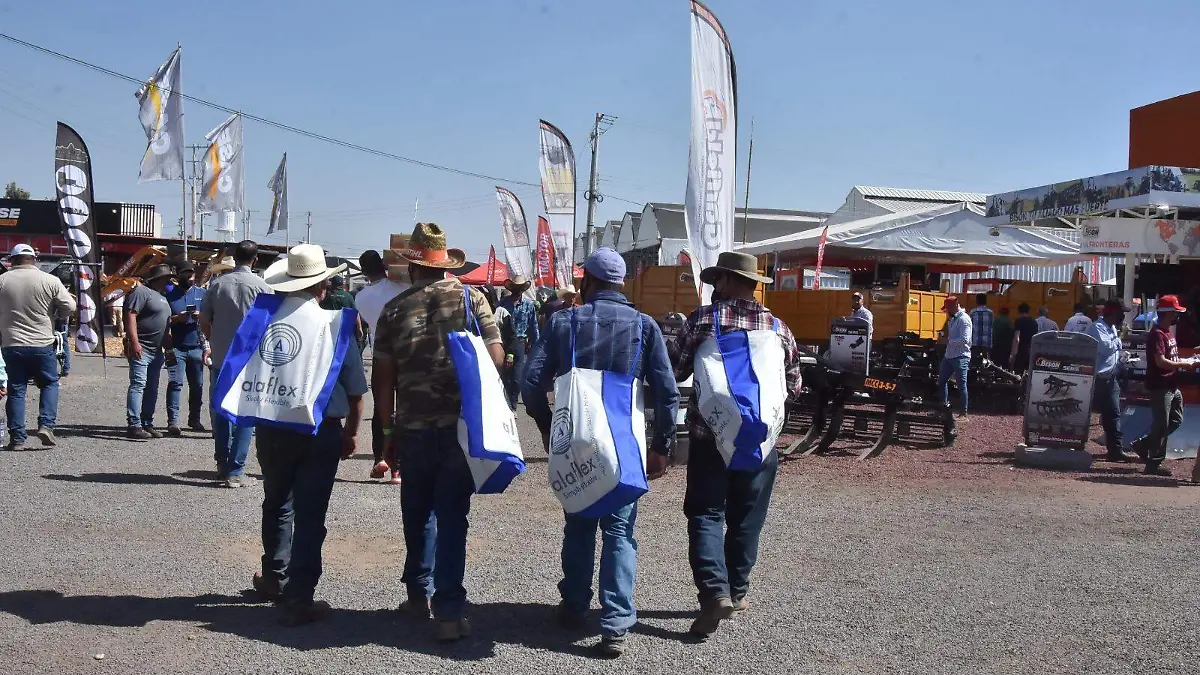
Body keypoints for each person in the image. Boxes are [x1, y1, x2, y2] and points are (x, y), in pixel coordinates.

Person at [523, 248, 679, 657]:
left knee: (578, 524)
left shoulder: (562, 322)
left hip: (575, 442)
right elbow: (667, 393)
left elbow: (529, 383)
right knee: (619, 531)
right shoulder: (645, 326)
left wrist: (546, 427)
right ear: (621, 283)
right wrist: (662, 447)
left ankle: (574, 606)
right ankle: (615, 622)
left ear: (587, 281)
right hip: (625, 446)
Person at [373, 223, 504, 643]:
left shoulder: (393, 311)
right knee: (452, 516)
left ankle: (417, 596)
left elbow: (383, 379)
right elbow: (496, 359)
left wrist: (387, 430)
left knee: (416, 512)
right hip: (459, 427)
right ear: (444, 264)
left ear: (412, 267)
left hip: (412, 427)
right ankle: (448, 612)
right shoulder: (472, 298)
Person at [668, 251, 799, 641]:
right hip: (760, 442)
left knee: (707, 513)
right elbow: (794, 385)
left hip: (710, 438)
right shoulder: (778, 328)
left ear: (725, 281)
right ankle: (737, 592)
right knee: (746, 517)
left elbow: (676, 369)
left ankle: (714, 593)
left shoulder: (703, 320)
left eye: (715, 282)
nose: (712, 289)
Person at [249, 244, 368, 626]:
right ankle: (300, 595)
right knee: (311, 512)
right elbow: (355, 390)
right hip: (321, 430)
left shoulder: (262, 322)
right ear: (322, 287)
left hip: (273, 424)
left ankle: (274, 575)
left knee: (277, 500)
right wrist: (352, 431)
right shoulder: (336, 325)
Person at [200, 240, 273, 487]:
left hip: (221, 356)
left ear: (234, 257)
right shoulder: (264, 287)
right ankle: (236, 469)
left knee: (221, 410)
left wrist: (216, 340)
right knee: (245, 413)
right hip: (251, 359)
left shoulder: (217, 285)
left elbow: (204, 322)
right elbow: (269, 326)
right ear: (255, 260)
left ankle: (222, 462)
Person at [0, 244, 73, 450]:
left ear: (12, 260)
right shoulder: (49, 280)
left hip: (12, 343)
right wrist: (56, 315)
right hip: (42, 343)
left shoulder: (2, 281)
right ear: (34, 259)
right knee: (49, 384)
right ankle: (46, 425)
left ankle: (17, 438)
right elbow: (70, 306)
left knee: (16, 390)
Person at [352, 250, 408, 483]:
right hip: (406, 355)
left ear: (364, 271)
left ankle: (381, 458)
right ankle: (399, 468)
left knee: (382, 410)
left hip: (380, 356)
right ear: (384, 265)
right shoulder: (402, 288)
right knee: (404, 409)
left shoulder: (361, 297)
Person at [1139, 295, 1196, 476]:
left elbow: (1171, 357)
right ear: (1169, 313)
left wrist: (1190, 357)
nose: (1178, 316)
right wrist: (1184, 364)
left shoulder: (1167, 332)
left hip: (1171, 384)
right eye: (1175, 312)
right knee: (1161, 425)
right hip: (1160, 385)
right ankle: (1153, 464)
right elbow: (1161, 362)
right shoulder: (1157, 334)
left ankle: (1144, 444)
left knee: (1176, 420)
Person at [124, 264, 174, 439]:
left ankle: (147, 422)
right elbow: (130, 315)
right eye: (167, 277)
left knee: (152, 388)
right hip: (142, 347)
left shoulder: (162, 297)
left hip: (157, 350)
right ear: (158, 278)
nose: (169, 280)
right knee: (138, 384)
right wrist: (134, 342)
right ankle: (134, 424)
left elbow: (165, 324)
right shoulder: (141, 292)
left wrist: (169, 347)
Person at [164, 261, 210, 436]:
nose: (191, 278)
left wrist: (201, 316)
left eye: (192, 275)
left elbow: (211, 318)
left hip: (197, 347)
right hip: (176, 347)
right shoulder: (170, 295)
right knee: (175, 383)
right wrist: (176, 319)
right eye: (187, 275)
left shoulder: (202, 294)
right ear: (179, 277)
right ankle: (173, 422)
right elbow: (163, 319)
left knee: (197, 385)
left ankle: (194, 419)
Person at [1086, 299, 1134, 463]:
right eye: (1121, 313)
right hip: (1100, 377)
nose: (1122, 317)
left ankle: (1115, 449)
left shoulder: (1111, 327)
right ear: (1113, 313)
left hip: (1112, 375)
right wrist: (1120, 336)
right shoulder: (1098, 327)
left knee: (1112, 414)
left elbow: (1115, 349)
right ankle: (1115, 450)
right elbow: (1106, 348)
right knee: (1110, 413)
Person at [499, 275, 539, 410]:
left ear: (522, 289)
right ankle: (504, 404)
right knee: (504, 375)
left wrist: (536, 346)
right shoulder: (503, 304)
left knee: (517, 378)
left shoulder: (529, 305)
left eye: (519, 289)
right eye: (515, 288)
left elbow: (533, 326)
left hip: (521, 344)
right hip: (504, 343)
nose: (517, 291)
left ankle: (513, 405)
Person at [937, 296, 972, 417]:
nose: (946, 311)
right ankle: (943, 408)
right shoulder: (953, 319)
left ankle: (964, 412)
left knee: (962, 384)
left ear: (954, 306)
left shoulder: (964, 319)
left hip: (961, 356)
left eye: (947, 308)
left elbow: (965, 339)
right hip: (949, 355)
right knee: (941, 381)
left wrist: (948, 341)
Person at [320, 275, 363, 344]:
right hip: (344, 329)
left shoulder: (326, 295)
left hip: (328, 329)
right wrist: (359, 327)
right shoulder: (348, 296)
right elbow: (355, 313)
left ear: (332, 284)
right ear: (343, 285)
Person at [1010, 303, 1039, 374]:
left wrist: (1013, 354)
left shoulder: (1019, 321)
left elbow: (1017, 338)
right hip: (1031, 351)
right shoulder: (1034, 322)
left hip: (1021, 351)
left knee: (1018, 374)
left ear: (1019, 311)